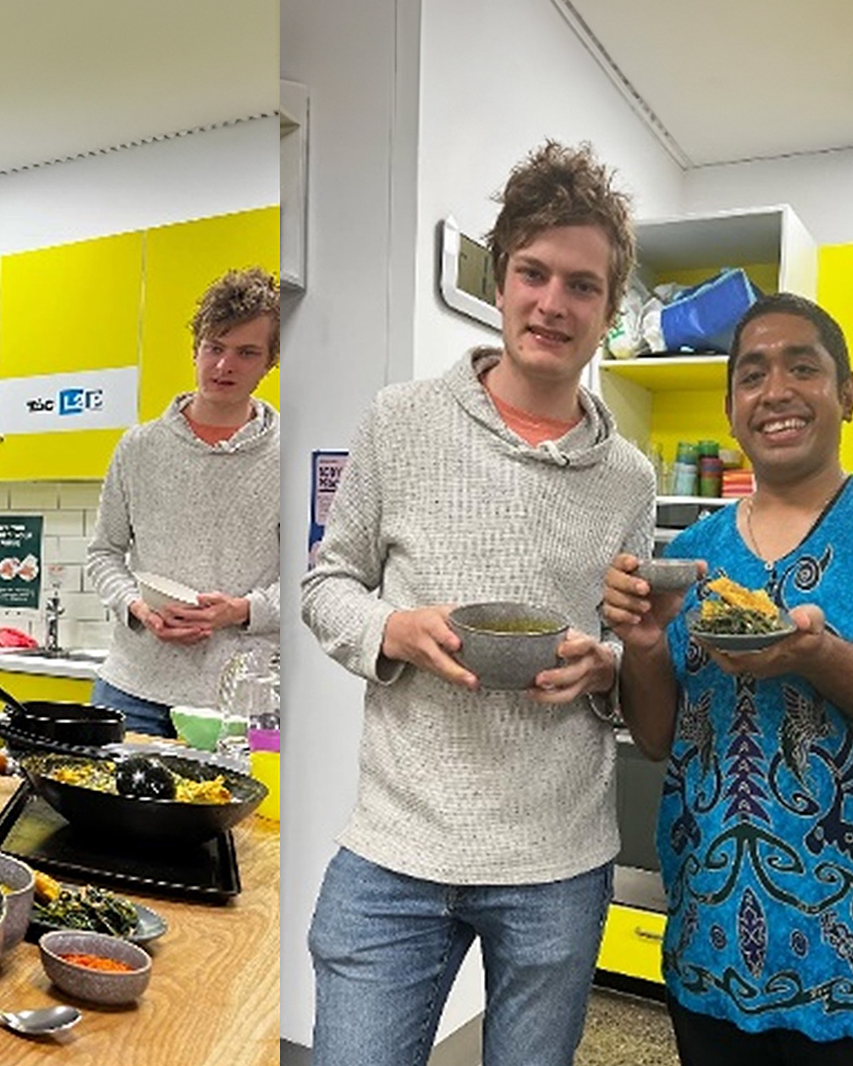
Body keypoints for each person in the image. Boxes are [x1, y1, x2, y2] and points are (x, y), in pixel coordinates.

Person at [299, 140, 656, 1066]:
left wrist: (606, 667)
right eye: (533, 273)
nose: (552, 303)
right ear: (500, 281)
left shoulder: (628, 477)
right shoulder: (399, 420)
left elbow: (629, 645)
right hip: (394, 849)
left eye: (582, 285)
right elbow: (325, 583)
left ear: (609, 312)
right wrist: (394, 629)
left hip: (559, 860)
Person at [602, 292, 853, 1065]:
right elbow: (656, 737)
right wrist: (647, 645)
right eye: (752, 375)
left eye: (802, 368)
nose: (776, 391)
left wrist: (823, 657)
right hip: (710, 961)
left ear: (846, 394)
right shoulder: (695, 552)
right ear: (731, 410)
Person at [84, 266, 280, 738]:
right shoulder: (139, 447)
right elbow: (104, 554)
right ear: (195, 350)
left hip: (241, 701)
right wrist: (137, 607)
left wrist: (241, 610)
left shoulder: (290, 456)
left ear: (270, 361)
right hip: (132, 691)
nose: (223, 367)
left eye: (246, 353)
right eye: (214, 347)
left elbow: (311, 579)